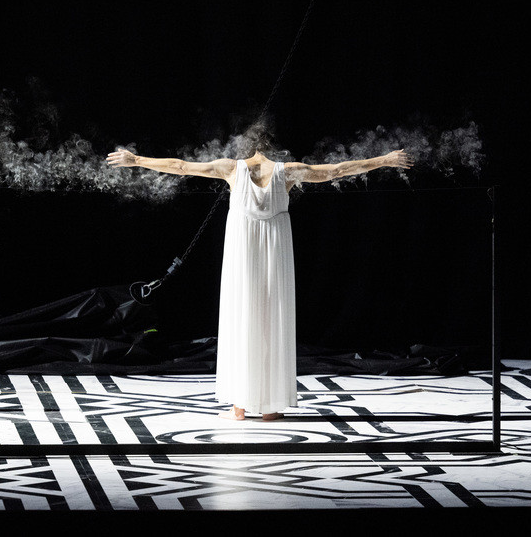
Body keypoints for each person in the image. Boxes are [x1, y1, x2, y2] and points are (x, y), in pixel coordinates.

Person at [106, 143, 413, 421]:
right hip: (274, 250)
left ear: (247, 146)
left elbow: (181, 166)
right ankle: (270, 406)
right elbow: (337, 170)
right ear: (272, 149)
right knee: (272, 319)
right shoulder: (288, 171)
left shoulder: (231, 168)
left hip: (244, 249)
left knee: (242, 317)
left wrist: (136, 159)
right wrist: (384, 159)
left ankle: (239, 406)